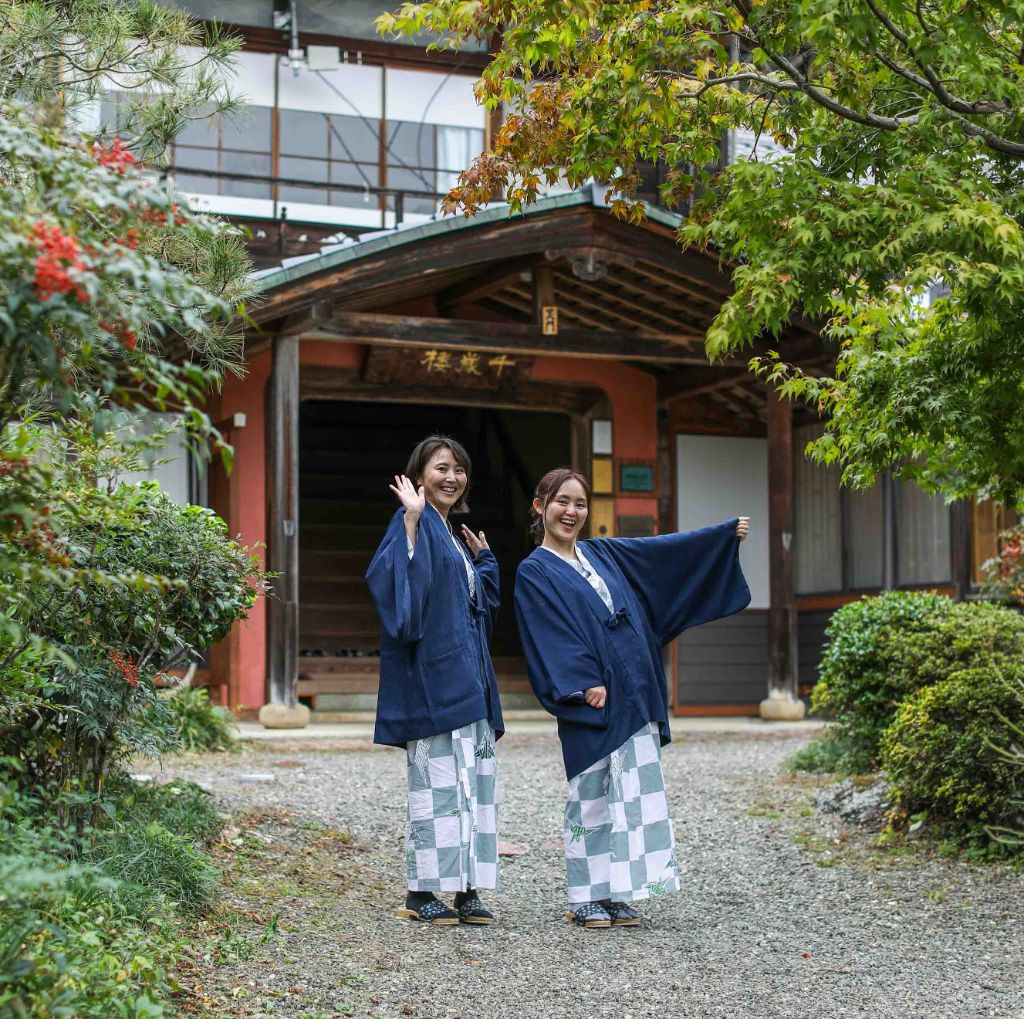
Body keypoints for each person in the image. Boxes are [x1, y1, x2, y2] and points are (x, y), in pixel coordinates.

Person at [513, 467, 750, 929]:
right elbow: (547, 631)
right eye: (562, 501)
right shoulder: (534, 571)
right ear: (541, 507)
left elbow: (662, 555)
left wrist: (720, 538)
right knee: (590, 796)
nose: (572, 512)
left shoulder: (600, 554)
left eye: (580, 504)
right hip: (592, 697)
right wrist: (580, 681)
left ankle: (619, 891)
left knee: (633, 795)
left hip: (634, 687)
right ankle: (585, 894)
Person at [366, 435, 503, 925]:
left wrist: (484, 560)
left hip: (470, 682)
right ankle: (420, 890)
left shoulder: (451, 533)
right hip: (433, 681)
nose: (451, 477)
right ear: (419, 476)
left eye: (459, 469)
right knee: (434, 789)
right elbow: (395, 588)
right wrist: (409, 519)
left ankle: (468, 889)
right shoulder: (415, 523)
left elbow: (477, 610)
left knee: (473, 788)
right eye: (441, 468)